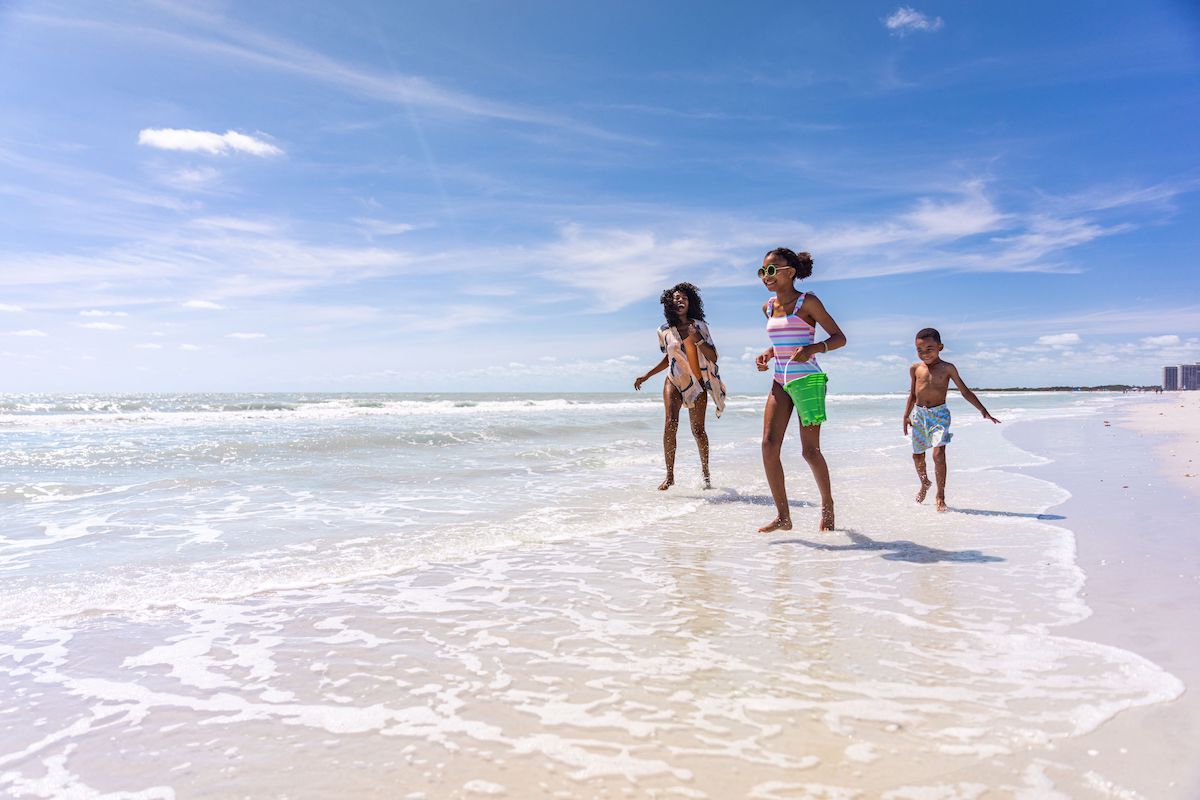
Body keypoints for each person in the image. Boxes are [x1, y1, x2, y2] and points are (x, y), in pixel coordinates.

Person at [753, 249, 846, 532]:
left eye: (771, 270)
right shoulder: (767, 306)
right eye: (762, 272)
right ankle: (784, 516)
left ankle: (828, 506)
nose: (766, 277)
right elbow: (783, 339)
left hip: (807, 381)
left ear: (790, 272)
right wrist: (769, 354)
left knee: (810, 451)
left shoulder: (808, 302)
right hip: (780, 381)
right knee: (769, 446)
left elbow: (839, 338)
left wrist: (814, 348)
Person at [634, 283, 727, 490]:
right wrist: (647, 375)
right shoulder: (664, 330)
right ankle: (669, 475)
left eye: (683, 298)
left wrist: (697, 339)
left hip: (698, 382)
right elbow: (670, 359)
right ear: (669, 304)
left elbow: (713, 357)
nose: (679, 301)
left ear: (690, 302)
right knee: (670, 423)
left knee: (698, 431)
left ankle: (706, 473)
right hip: (674, 380)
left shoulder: (700, 326)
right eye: (675, 298)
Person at [903, 327, 1001, 512]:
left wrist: (983, 410)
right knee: (917, 456)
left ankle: (940, 495)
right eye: (920, 350)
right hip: (919, 414)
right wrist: (905, 415)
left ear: (940, 347)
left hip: (939, 415)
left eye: (929, 349)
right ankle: (925, 483)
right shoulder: (915, 369)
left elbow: (965, 391)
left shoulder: (948, 368)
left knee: (938, 455)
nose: (925, 354)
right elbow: (913, 395)